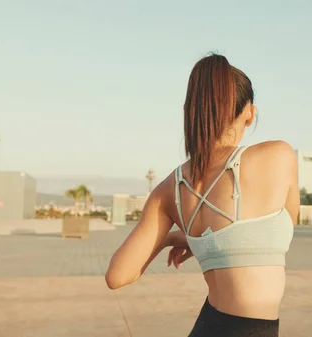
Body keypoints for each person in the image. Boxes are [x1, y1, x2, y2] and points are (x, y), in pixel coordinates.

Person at [105, 53, 299, 337]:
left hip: (207, 326)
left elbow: (118, 276)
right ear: (249, 113)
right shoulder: (277, 156)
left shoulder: (168, 188)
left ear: (191, 110)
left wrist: (178, 238)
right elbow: (284, 227)